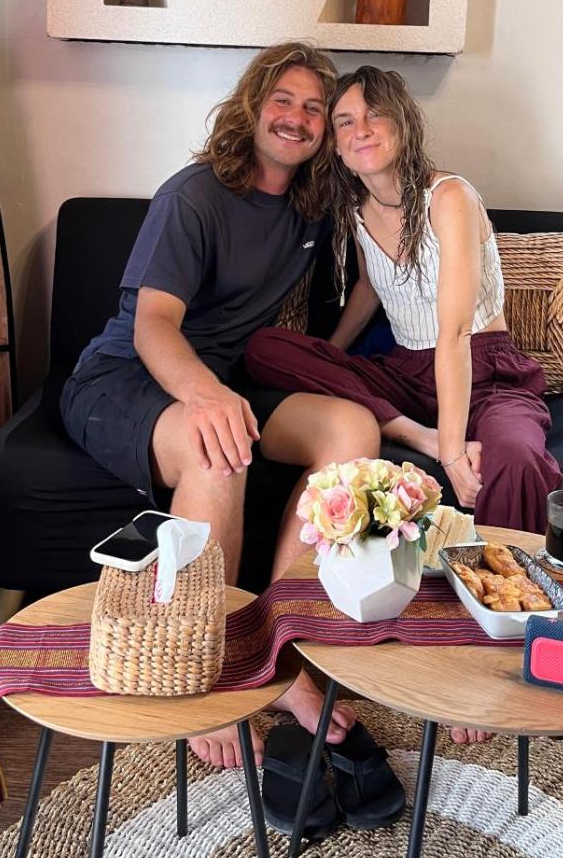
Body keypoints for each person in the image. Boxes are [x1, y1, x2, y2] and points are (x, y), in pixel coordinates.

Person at [60, 41, 370, 768]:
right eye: (283, 100)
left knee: (352, 430)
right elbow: (152, 325)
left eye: (315, 109)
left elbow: (393, 205)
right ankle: (206, 677)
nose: (296, 118)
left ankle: (279, 653)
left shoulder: (311, 205)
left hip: (224, 378)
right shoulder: (193, 196)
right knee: (217, 450)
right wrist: (207, 397)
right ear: (253, 106)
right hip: (124, 379)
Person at [245, 63, 563, 540]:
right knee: (265, 348)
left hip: (483, 372)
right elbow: (370, 287)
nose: (361, 130)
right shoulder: (355, 209)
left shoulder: (449, 197)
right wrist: (330, 356)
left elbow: (455, 333)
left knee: (516, 457)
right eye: (346, 121)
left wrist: (453, 454)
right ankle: (415, 433)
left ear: (403, 124)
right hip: (406, 374)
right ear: (335, 144)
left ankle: (499, 578)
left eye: (375, 114)